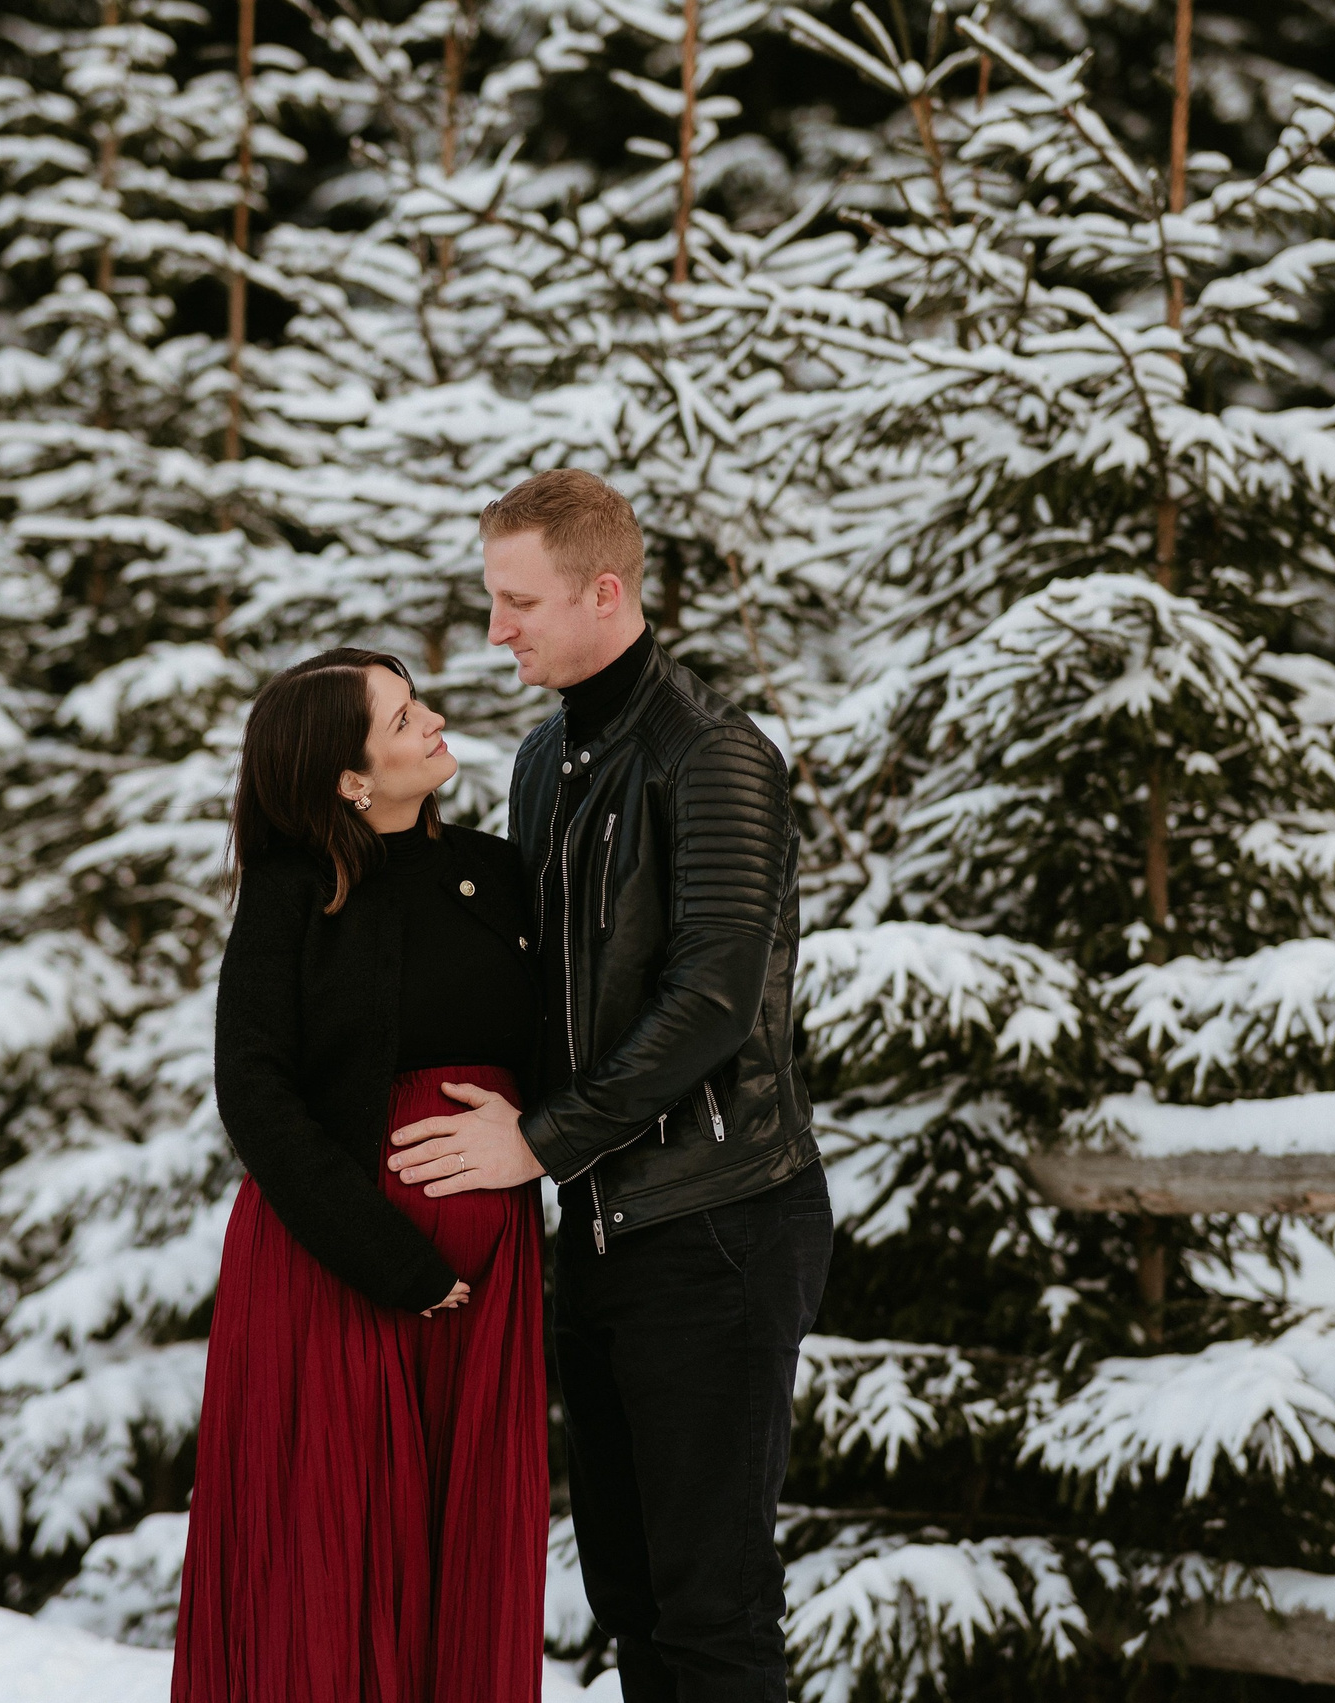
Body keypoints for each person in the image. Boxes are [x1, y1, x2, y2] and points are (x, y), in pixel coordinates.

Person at [390, 470, 832, 1701]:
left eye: (517, 600)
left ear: (605, 591)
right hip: (595, 1237)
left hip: (717, 1226)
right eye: (491, 599)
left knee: (711, 1611)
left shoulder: (715, 756)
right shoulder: (544, 761)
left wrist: (537, 1139)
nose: (495, 630)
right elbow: (528, 977)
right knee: (629, 1602)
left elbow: (711, 1001)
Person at [174, 647, 548, 1703]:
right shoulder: (294, 894)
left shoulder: (495, 870)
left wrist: (538, 1131)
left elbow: (565, 1043)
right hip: (335, 1273)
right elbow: (254, 1090)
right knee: (330, 1558)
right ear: (349, 776)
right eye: (400, 717)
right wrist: (392, 1259)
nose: (432, 720)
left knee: (465, 1547)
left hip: (490, 1277)